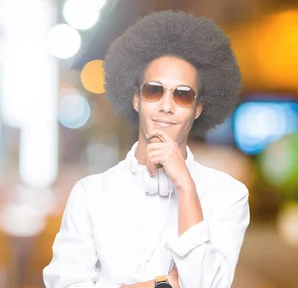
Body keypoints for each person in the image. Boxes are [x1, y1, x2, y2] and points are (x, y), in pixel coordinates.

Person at [43, 10, 249, 288]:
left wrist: (186, 188)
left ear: (198, 108)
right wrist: (163, 285)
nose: (166, 105)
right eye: (154, 90)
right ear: (136, 99)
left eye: (183, 94)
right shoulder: (90, 194)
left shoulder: (228, 195)